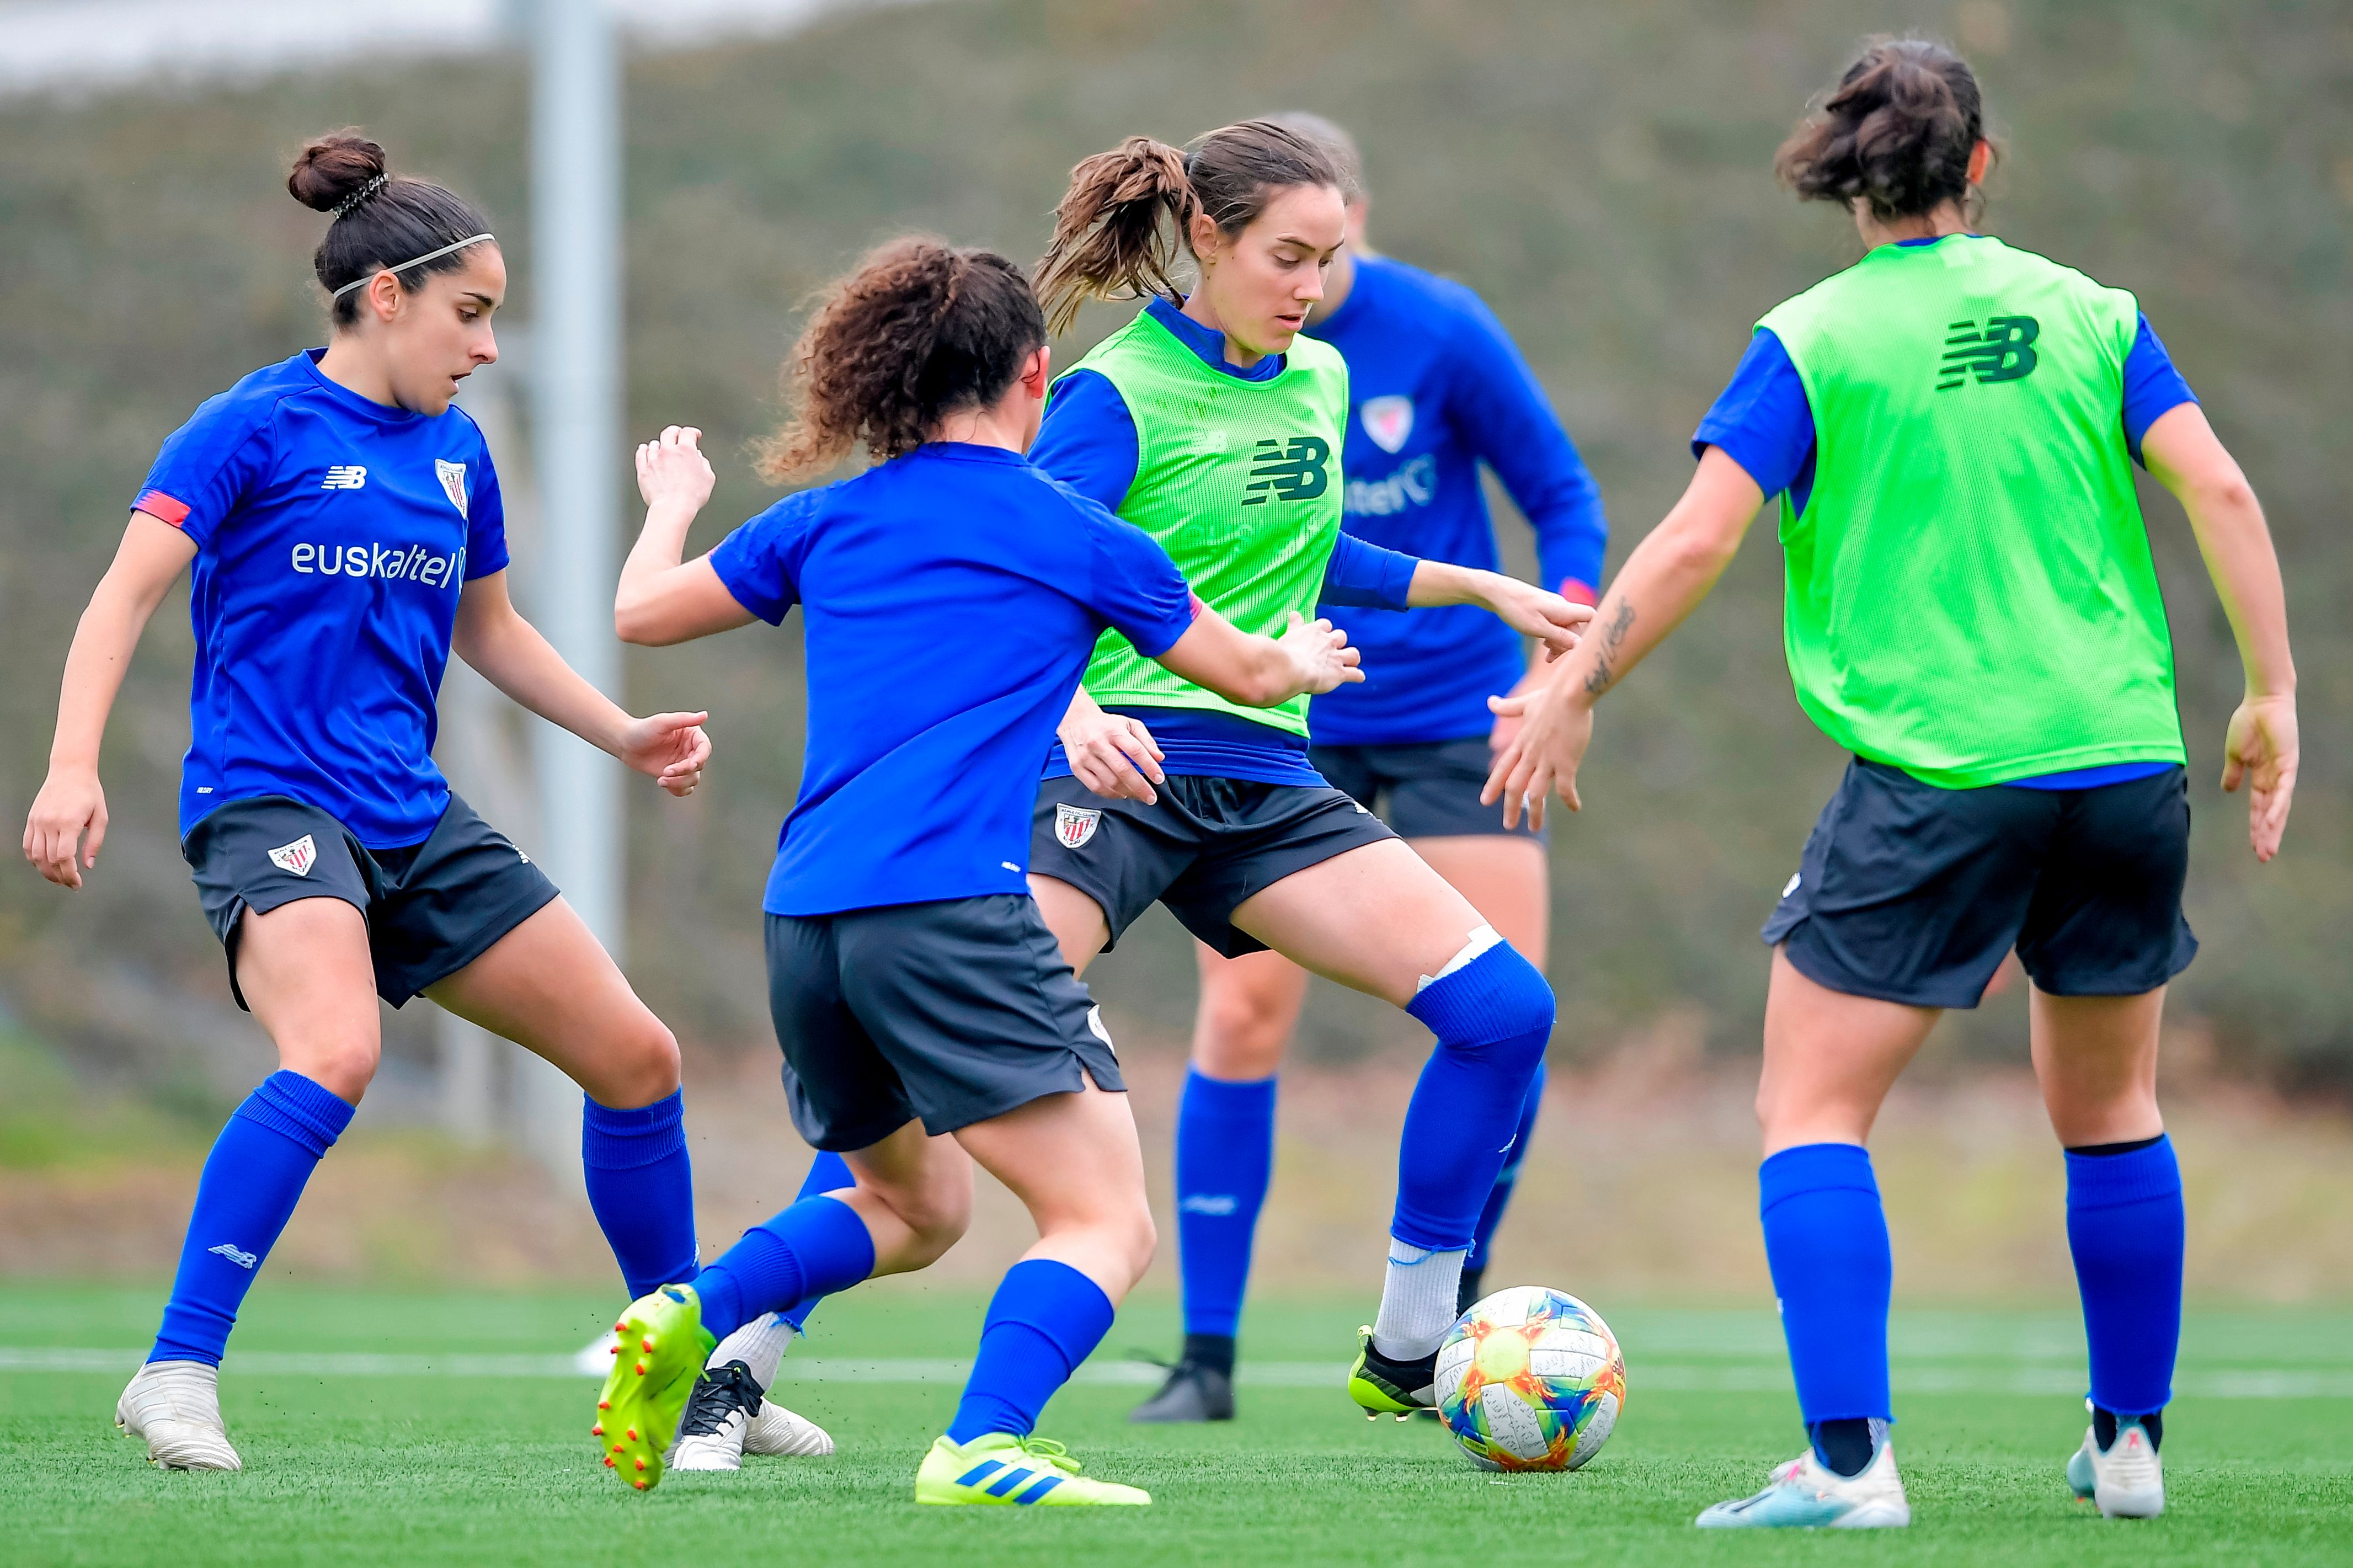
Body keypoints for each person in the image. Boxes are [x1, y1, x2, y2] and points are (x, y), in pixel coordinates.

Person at [1486, 38, 2298, 1529]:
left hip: (1944, 768)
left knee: (1808, 1108)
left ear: (1843, 180)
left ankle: (1849, 1466)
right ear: (1979, 168)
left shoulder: (1811, 339)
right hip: (2123, 759)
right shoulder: (2092, 313)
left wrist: (1569, 684)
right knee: (2114, 1109)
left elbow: (1692, 542)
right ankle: (2128, 1451)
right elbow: (2224, 489)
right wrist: (2270, 691)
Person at [599, 237, 1365, 1502]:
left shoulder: (825, 518)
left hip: (807, 923)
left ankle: (692, 1302)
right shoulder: (1078, 533)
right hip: (950, 906)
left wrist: (672, 502)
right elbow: (1241, 674)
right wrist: (1306, 657)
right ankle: (984, 1442)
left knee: (915, 1207)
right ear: (1035, 374)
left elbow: (640, 615)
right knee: (1106, 1220)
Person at [20, 133, 718, 1473]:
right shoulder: (251, 426)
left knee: (641, 1059)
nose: (491, 348)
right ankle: (175, 1370)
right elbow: (123, 594)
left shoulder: (460, 453)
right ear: (385, 296)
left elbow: (493, 633)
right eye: (473, 313)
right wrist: (70, 762)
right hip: (267, 797)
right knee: (335, 1051)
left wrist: (621, 732)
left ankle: (684, 1378)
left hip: (412, 812)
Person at [1021, 119, 1588, 1424]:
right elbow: (1023, 573)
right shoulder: (1116, 393)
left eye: (1330, 261)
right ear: (1206, 239)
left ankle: (1408, 1340)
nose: (1311, 287)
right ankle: (746, 1332)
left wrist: (1478, 583)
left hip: (1268, 779)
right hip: (1126, 763)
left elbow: (1309, 550)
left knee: (1506, 1014)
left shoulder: (1319, 377)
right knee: (956, 1042)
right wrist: (1065, 714)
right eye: (1287, 256)